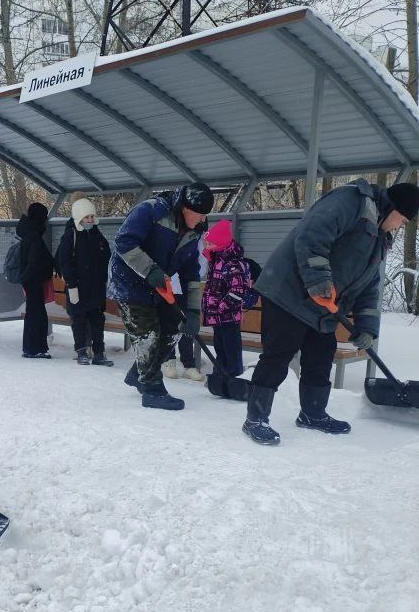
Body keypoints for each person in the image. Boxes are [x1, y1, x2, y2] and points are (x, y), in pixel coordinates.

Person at [243, 178, 419, 445]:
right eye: (404, 220)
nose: (401, 226)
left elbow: (369, 286)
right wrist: (318, 281)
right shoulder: (352, 201)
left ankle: (312, 414)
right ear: (395, 208)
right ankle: (255, 419)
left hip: (322, 304)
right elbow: (312, 236)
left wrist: (367, 328)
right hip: (289, 291)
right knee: (278, 355)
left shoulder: (379, 241)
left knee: (321, 355)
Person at [108, 183, 214, 409]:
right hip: (130, 283)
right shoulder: (151, 210)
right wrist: (150, 269)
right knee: (148, 334)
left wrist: (193, 312)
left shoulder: (195, 230)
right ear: (185, 207)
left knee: (174, 326)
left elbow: (191, 273)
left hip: (160, 286)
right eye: (199, 214)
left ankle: (140, 373)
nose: (202, 219)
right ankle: (152, 390)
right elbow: (123, 242)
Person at [56, 197, 113, 366]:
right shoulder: (70, 235)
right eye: (86, 217)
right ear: (79, 218)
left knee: (97, 320)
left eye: (91, 217)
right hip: (78, 287)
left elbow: (106, 256)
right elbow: (64, 261)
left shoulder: (97, 234)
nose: (90, 220)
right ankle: (81, 351)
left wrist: (104, 276)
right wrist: (72, 285)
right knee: (79, 320)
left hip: (95, 287)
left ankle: (99, 353)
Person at [199, 219, 253, 397]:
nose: (206, 245)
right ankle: (221, 375)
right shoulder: (216, 260)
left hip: (228, 317)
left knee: (231, 349)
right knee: (220, 347)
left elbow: (238, 290)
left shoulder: (233, 263)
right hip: (218, 318)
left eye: (210, 242)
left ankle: (234, 378)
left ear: (221, 242)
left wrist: (221, 307)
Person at [18, 202, 56, 359]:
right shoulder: (34, 236)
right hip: (34, 282)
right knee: (36, 315)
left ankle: (32, 347)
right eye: (44, 216)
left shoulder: (30, 233)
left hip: (31, 281)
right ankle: (34, 349)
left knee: (34, 314)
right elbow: (35, 262)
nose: (46, 220)